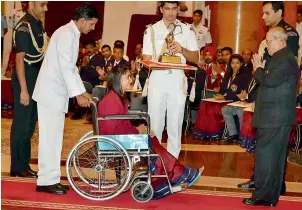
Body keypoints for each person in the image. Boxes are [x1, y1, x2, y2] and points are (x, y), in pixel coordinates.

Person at [98, 65, 204, 199]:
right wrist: (137, 130)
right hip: (113, 140)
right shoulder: (111, 100)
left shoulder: (116, 97)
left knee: (151, 140)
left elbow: (121, 123)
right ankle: (178, 174)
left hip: (119, 137)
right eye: (127, 77)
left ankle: (173, 175)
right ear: (118, 79)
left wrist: (140, 129)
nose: (130, 80)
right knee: (151, 143)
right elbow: (113, 129)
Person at [32, 3, 100, 195]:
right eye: (92, 24)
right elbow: (65, 67)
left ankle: (51, 178)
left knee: (54, 138)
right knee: (50, 139)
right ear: (82, 20)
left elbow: (71, 68)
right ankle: (46, 180)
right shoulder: (67, 34)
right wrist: (78, 94)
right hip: (50, 93)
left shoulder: (70, 33)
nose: (92, 28)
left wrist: (83, 92)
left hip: (54, 93)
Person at [238, 1, 299, 191]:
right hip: (267, 92)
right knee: (265, 148)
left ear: (279, 12)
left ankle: (271, 184)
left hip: (276, 98)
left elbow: (275, 70)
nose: (263, 17)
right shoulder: (270, 35)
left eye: (266, 13)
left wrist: (260, 73)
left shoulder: (288, 34)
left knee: (272, 149)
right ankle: (263, 180)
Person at [143, 1, 199, 158]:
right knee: (155, 123)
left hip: (177, 78)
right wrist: (149, 59)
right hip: (157, 78)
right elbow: (146, 57)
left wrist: (181, 49)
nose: (171, 13)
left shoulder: (187, 30)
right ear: (161, 9)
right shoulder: (151, 30)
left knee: (175, 123)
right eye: (167, 8)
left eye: (174, 9)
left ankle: (173, 165)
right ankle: (155, 163)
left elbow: (196, 58)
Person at [10, 1, 48, 178]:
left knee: (31, 123)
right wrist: (23, 90)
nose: (45, 9)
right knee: (22, 123)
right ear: (31, 4)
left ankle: (24, 164)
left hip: (36, 77)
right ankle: (18, 167)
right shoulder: (24, 27)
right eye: (42, 4)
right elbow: (19, 60)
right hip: (25, 77)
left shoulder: (37, 24)